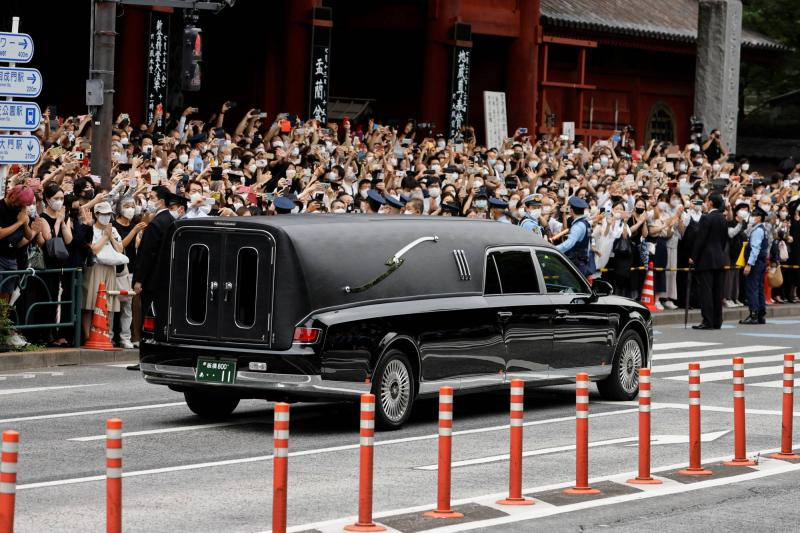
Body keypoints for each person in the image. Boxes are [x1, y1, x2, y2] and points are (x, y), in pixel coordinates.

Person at [133, 187, 178, 321]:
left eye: (152, 198)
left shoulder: (156, 223)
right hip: (166, 278)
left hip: (151, 279)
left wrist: (139, 279)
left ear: (161, 201)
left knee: (147, 313)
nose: (149, 201)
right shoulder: (172, 220)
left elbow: (147, 253)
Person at [83, 202, 124, 341]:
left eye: (109, 214)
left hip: (110, 267)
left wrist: (110, 235)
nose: (107, 217)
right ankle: (89, 336)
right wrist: (105, 237)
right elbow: (93, 249)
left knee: (108, 303)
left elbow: (120, 249)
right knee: (90, 303)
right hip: (95, 267)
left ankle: (106, 335)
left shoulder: (113, 230)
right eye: (104, 214)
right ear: (97, 214)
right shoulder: (91, 229)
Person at [690, 192, 728, 329]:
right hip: (720, 258)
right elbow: (724, 240)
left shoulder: (706, 218)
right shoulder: (723, 218)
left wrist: (693, 257)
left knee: (706, 291)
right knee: (718, 291)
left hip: (706, 259)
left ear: (711, 202)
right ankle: (717, 321)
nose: (705, 202)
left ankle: (707, 321)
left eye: (706, 200)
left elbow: (700, 240)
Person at [740, 206, 769, 325]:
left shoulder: (757, 231)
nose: (751, 217)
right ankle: (761, 314)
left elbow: (755, 249)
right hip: (761, 262)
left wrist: (749, 264)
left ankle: (754, 315)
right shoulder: (762, 229)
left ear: (759, 217)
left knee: (752, 288)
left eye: (754, 215)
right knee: (759, 288)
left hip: (755, 263)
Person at [557, 196, 593, 276]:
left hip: (576, 263)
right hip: (583, 262)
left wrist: (554, 249)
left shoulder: (578, 226)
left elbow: (569, 244)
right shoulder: (586, 223)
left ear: (571, 210)